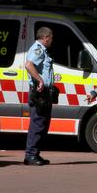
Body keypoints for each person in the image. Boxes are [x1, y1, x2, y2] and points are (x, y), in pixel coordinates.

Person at [24, 27, 55, 166]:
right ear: (46, 37)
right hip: (39, 93)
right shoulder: (38, 49)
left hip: (44, 93)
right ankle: (30, 155)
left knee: (42, 124)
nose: (52, 41)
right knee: (37, 124)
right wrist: (40, 80)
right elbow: (29, 65)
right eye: (51, 38)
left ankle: (34, 154)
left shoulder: (42, 50)